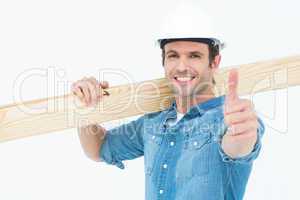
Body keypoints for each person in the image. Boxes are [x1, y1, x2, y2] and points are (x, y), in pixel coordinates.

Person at [71, 5, 265, 200]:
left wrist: (243, 133)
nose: (181, 66)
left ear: (214, 62)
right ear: (163, 61)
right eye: (173, 55)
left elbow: (238, 145)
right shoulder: (153, 122)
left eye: (194, 56)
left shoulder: (228, 119)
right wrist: (85, 108)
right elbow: (97, 148)